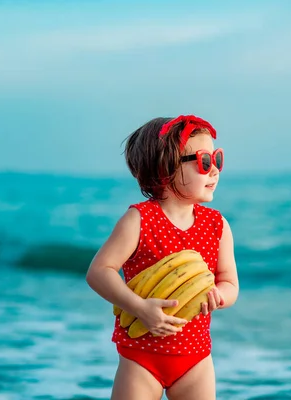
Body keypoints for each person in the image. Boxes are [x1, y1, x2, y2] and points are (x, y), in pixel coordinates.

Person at [85, 115, 239, 400]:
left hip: (196, 358)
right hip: (141, 357)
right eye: (205, 161)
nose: (215, 170)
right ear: (166, 168)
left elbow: (229, 282)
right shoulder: (139, 220)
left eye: (218, 159)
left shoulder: (217, 226)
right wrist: (140, 307)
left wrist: (220, 296)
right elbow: (99, 271)